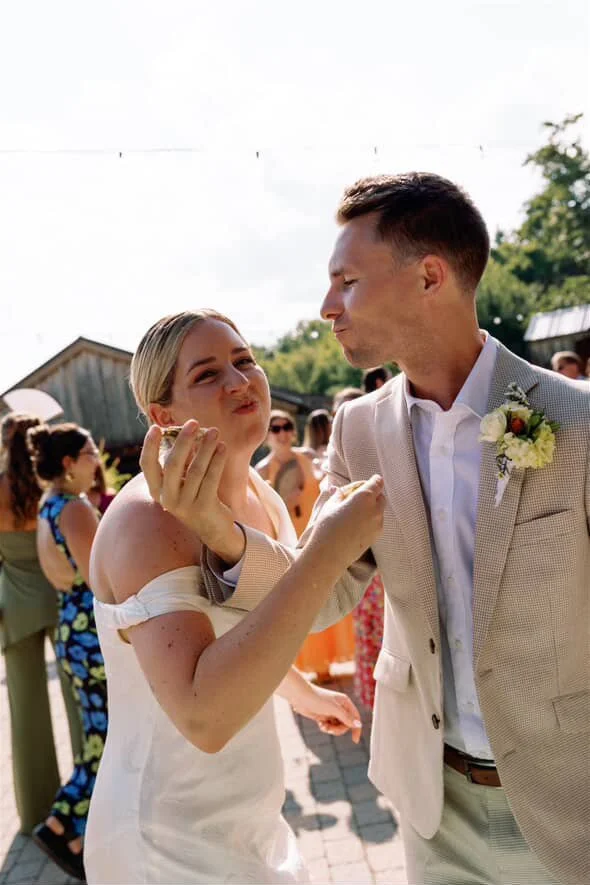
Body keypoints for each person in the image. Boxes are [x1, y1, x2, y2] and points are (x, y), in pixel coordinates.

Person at [197, 174, 589, 885]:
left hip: (571, 803)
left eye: (345, 280)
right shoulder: (358, 428)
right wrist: (216, 533)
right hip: (430, 805)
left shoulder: (578, 423)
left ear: (430, 276)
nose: (325, 307)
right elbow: (317, 595)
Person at [83, 309, 384, 885]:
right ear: (163, 416)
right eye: (207, 374)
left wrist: (300, 690)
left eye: (244, 361)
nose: (240, 381)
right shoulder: (148, 521)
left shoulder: (261, 495)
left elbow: (253, 620)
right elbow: (202, 716)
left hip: (250, 818)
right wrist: (328, 550)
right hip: (165, 839)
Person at [27, 422, 107, 881]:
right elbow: (102, 575)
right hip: (90, 632)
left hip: (72, 629)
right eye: (90, 452)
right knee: (106, 737)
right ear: (68, 462)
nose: (97, 460)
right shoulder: (74, 509)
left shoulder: (48, 505)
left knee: (99, 733)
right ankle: (61, 821)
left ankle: (71, 830)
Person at [0, 413, 83, 835]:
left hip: (14, 606)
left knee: (26, 709)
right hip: (59, 596)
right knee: (77, 702)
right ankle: (89, 795)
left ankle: (36, 809)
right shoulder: (52, 489)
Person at [257, 409, 356, 682]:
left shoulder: (310, 458)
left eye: (286, 426)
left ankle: (330, 663)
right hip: (290, 547)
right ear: (267, 436)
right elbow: (262, 519)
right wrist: (286, 502)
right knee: (303, 604)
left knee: (327, 597)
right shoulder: (262, 471)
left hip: (320, 540)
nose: (282, 433)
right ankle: (313, 667)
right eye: (275, 428)